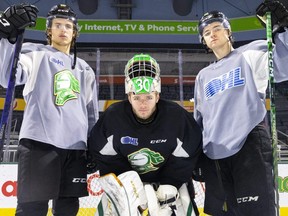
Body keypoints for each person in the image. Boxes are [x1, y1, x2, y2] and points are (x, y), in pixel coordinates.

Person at [0, 3, 99, 216]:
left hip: (75, 150)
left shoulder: (85, 69)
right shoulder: (34, 53)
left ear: (74, 33)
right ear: (49, 30)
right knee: (32, 209)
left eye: (68, 26)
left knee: (67, 210)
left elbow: (91, 114)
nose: (63, 30)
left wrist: (93, 146)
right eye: (58, 25)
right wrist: (7, 39)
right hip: (40, 145)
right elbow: (7, 76)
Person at [193, 1, 288, 216]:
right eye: (207, 32)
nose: (212, 34)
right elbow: (199, 120)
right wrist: (196, 156)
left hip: (249, 145)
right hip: (215, 155)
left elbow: (285, 64)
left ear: (228, 32)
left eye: (217, 28)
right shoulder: (202, 76)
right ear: (204, 41)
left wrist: (282, 29)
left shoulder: (250, 54)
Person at [88, 53, 202, 215]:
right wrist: (127, 183)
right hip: (126, 185)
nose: (143, 104)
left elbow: (190, 151)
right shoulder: (112, 118)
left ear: (157, 96)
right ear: (129, 96)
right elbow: (103, 154)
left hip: (169, 185)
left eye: (148, 97)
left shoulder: (177, 117)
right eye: (137, 97)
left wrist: (170, 182)